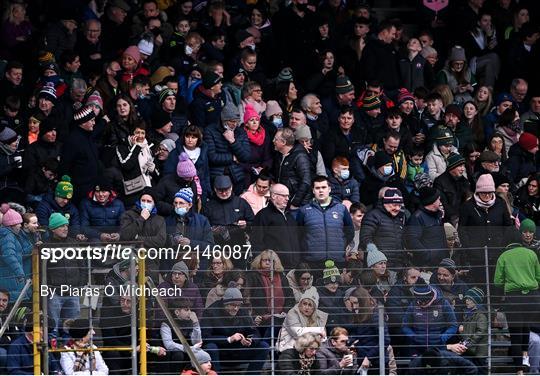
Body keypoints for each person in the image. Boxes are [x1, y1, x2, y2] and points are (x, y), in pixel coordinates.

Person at [458, 174, 514, 283]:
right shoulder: (468, 206)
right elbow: (462, 230)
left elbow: (508, 226)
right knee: (480, 282)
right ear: (478, 192)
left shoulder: (500, 203)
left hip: (498, 252)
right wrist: (470, 249)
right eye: (484, 193)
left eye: (490, 192)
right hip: (476, 255)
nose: (487, 195)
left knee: (496, 282)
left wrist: (503, 245)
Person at [494, 242, 540, 374]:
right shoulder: (532, 254)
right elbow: (538, 277)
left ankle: (519, 371)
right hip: (533, 298)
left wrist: (510, 281)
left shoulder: (504, 256)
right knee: (526, 326)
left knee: (515, 336)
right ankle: (525, 357)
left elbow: (497, 281)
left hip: (514, 299)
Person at [201, 287, 270, 374]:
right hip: (220, 353)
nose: (236, 308)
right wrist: (229, 339)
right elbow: (205, 337)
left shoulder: (243, 311)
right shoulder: (210, 312)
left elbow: (254, 331)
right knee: (211, 347)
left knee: (264, 346)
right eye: (233, 305)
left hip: (239, 351)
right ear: (225, 303)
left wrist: (251, 340)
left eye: (239, 305)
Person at [296, 175, 354, 265]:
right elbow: (298, 235)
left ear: (329, 189)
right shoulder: (304, 210)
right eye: (317, 188)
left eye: (324, 187)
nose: (321, 190)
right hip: (312, 261)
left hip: (337, 260)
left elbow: (350, 231)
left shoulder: (341, 209)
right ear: (313, 190)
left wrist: (341, 246)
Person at [45, 213, 86, 337]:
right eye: (61, 226)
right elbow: (42, 270)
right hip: (55, 293)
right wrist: (49, 287)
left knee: (71, 329)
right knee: (54, 328)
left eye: (66, 225)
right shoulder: (46, 246)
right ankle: (54, 355)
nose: (65, 228)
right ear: (52, 229)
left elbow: (82, 266)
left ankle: (69, 352)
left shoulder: (74, 243)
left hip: (73, 292)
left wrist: (80, 284)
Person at [120, 188, 166, 282]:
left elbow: (160, 240)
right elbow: (125, 235)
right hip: (131, 260)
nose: (145, 203)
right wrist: (141, 218)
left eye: (149, 201)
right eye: (143, 200)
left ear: (154, 203)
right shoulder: (128, 215)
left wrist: (137, 238)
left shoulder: (159, 220)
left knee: (150, 292)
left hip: (151, 262)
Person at [163, 188, 214, 272]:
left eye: (181, 203)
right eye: (175, 203)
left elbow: (210, 247)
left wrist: (190, 243)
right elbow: (162, 248)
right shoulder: (168, 221)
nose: (178, 206)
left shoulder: (202, 221)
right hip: (174, 270)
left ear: (190, 205)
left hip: (197, 269)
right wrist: (171, 240)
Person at [402, 280, 458, 357]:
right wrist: (414, 336)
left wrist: (443, 337)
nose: (422, 304)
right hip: (417, 348)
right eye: (419, 301)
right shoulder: (413, 305)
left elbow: (453, 325)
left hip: (438, 347)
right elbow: (405, 326)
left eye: (424, 301)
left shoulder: (443, 304)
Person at [204, 102, 251, 195]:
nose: (234, 124)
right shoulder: (210, 131)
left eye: (236, 121)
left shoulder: (240, 132)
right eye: (231, 121)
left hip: (237, 177)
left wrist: (233, 141)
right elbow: (212, 157)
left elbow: (246, 156)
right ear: (224, 120)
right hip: (217, 176)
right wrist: (232, 158)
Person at [248, 250, 295, 341]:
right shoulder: (253, 276)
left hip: (279, 317)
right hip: (260, 318)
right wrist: (253, 316)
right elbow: (247, 298)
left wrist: (285, 311)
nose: (267, 262)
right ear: (260, 262)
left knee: (277, 324)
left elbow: (290, 297)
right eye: (264, 260)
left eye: (270, 261)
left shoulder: (281, 276)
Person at [58, 106, 101, 203]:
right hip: (80, 191)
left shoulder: (88, 137)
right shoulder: (72, 140)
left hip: (92, 187)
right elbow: (65, 166)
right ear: (83, 122)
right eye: (92, 120)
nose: (94, 123)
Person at [360, 187, 406, 268]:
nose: (397, 208)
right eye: (394, 205)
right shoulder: (373, 215)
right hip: (378, 266)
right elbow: (365, 237)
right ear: (385, 203)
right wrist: (376, 254)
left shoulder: (399, 219)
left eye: (399, 205)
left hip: (397, 266)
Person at [405, 187, 448, 267]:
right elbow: (412, 240)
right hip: (426, 265)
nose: (440, 202)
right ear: (432, 201)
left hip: (441, 262)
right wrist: (427, 256)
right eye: (438, 199)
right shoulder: (417, 218)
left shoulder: (438, 215)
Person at [277, 287, 328, 352]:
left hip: (310, 348)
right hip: (289, 347)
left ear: (314, 308)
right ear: (300, 304)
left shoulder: (318, 316)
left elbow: (323, 337)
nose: (306, 307)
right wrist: (318, 330)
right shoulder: (292, 313)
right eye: (304, 304)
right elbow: (298, 333)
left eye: (310, 305)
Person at [272, 127, 312, 209]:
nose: (273, 141)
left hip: (297, 205)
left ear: (283, 142)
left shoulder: (300, 156)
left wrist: (295, 203)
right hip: (285, 202)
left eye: (276, 139)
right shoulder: (279, 155)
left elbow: (306, 181)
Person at [160, 298, 203, 374]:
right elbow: (169, 344)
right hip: (175, 352)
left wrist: (196, 323)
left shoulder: (190, 322)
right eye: (186, 310)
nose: (190, 312)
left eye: (190, 309)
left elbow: (196, 342)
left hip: (189, 350)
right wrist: (189, 349)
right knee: (178, 355)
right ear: (177, 312)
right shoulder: (166, 323)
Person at [433, 153, 471, 225]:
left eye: (463, 166)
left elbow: (468, 200)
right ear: (452, 167)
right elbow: (443, 204)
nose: (463, 169)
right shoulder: (439, 182)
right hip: (448, 220)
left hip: (462, 217)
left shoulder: (464, 181)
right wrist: (455, 217)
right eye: (460, 166)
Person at [0, 204, 28, 300]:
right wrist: (20, 273)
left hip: (9, 278)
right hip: (11, 279)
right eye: (19, 223)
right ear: (12, 224)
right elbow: (8, 255)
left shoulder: (7, 235)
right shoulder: (8, 236)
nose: (20, 225)